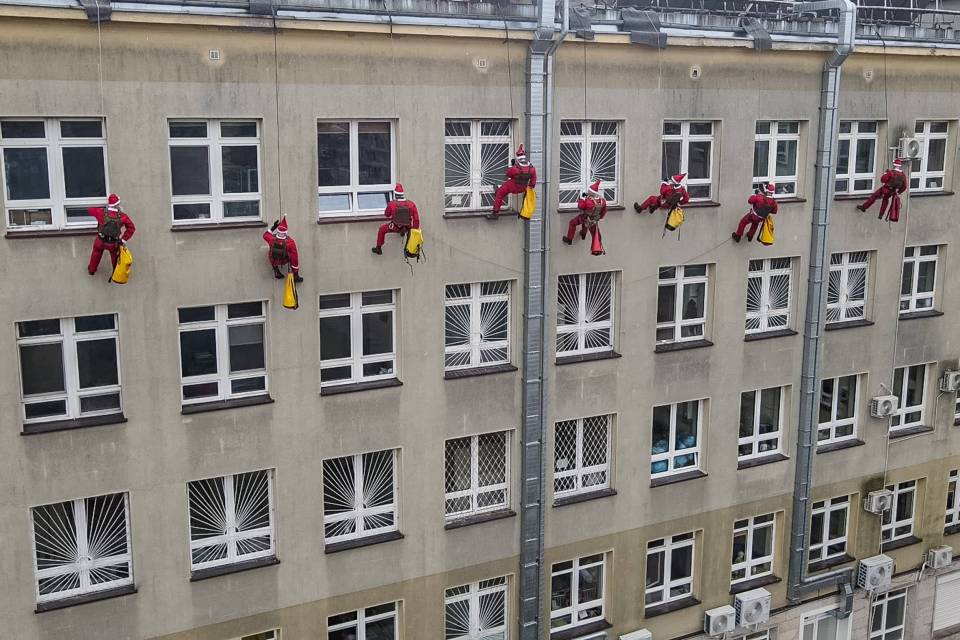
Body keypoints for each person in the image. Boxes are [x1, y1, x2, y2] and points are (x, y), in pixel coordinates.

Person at [87, 193, 135, 275]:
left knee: (96, 253)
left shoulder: (100, 212)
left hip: (100, 240)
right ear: (117, 205)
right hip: (113, 243)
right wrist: (123, 240)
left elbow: (89, 210)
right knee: (115, 258)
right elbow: (132, 228)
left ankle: (92, 270)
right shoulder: (123, 216)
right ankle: (116, 274)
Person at [489, 144, 537, 220]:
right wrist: (530, 187)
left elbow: (508, 173)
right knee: (503, 191)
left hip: (512, 186)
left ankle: (495, 213)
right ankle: (523, 213)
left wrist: (512, 165)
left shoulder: (515, 168)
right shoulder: (532, 168)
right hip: (523, 188)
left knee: (500, 193)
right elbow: (533, 180)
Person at [372, 183, 420, 255]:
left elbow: (387, 215)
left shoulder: (392, 204)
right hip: (407, 227)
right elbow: (416, 219)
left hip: (394, 227)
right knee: (407, 228)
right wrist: (414, 230)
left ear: (395, 194)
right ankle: (403, 234)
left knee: (382, 229)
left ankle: (378, 248)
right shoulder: (411, 204)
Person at [562, 179, 606, 255]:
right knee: (595, 234)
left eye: (589, 191)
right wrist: (599, 217)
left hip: (584, 217)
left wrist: (582, 199)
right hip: (594, 220)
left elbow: (580, 206)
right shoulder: (602, 201)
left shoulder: (588, 201)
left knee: (572, 223)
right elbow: (604, 211)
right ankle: (596, 248)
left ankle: (569, 239)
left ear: (591, 193)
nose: (588, 192)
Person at [263, 216, 301, 281]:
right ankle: (295, 276)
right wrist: (296, 271)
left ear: (278, 231)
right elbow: (294, 258)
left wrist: (273, 227)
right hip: (284, 260)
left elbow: (265, 235)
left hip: (274, 259)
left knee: (271, 252)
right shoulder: (290, 242)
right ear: (285, 232)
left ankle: (276, 271)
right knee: (292, 255)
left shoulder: (271, 239)